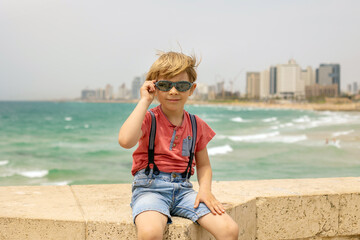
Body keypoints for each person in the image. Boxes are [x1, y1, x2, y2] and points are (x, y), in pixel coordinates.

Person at [118, 51, 239, 240]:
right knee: (150, 233)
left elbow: (204, 165)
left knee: (229, 229)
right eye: (165, 85)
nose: (173, 91)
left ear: (191, 89)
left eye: (181, 86)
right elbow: (125, 141)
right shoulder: (149, 119)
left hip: (184, 190)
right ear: (154, 87)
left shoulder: (195, 124)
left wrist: (205, 190)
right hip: (150, 189)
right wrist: (144, 101)